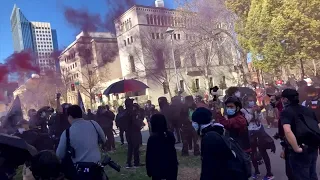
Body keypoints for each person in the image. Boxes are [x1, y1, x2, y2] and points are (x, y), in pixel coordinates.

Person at [192, 107, 249, 180]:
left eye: (193, 122)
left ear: (198, 122)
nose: (193, 124)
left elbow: (208, 167)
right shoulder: (215, 132)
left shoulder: (209, 138)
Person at [56, 105, 106, 180]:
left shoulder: (67, 133)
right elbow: (104, 140)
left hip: (83, 171)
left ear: (69, 116)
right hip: (97, 168)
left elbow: (59, 155)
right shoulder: (93, 124)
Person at [280, 89, 320, 180]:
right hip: (312, 148)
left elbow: (287, 131)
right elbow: (318, 127)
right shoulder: (307, 110)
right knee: (312, 174)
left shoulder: (286, 112)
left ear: (285, 99)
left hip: (300, 150)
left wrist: (296, 148)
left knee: (301, 175)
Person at [243, 95, 275, 180]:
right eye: (249, 100)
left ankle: (269, 173)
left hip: (260, 131)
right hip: (250, 132)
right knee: (253, 153)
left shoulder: (257, 108)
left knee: (263, 151)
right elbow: (246, 121)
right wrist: (252, 112)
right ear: (245, 101)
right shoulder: (243, 110)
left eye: (252, 100)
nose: (251, 102)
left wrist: (258, 111)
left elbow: (261, 119)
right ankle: (256, 171)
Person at [146, 114, 178, 180]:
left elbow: (149, 155)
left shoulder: (152, 138)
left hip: (157, 168)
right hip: (171, 166)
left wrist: (149, 170)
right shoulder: (169, 135)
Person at [123, 99, 144, 168]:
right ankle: (136, 163)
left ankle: (128, 163)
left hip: (128, 132)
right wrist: (139, 126)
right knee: (135, 148)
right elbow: (135, 122)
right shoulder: (132, 112)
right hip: (134, 132)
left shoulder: (125, 112)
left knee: (130, 148)